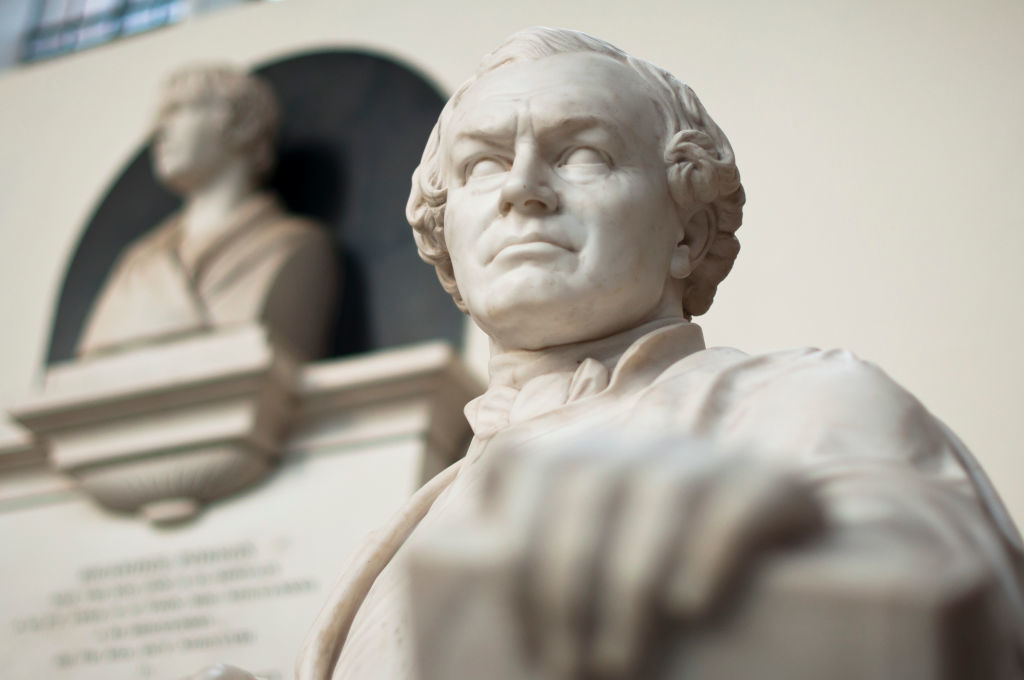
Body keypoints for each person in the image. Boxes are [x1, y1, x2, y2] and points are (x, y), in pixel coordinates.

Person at [290, 27, 1024, 679]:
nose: (521, 189)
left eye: (581, 153)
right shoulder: (407, 526)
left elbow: (952, 619)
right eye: (482, 165)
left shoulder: (805, 403)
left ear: (689, 231)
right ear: (444, 238)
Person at [77, 65, 337, 361]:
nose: (156, 130)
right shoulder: (136, 265)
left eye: (178, 109)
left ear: (243, 122)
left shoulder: (295, 247)